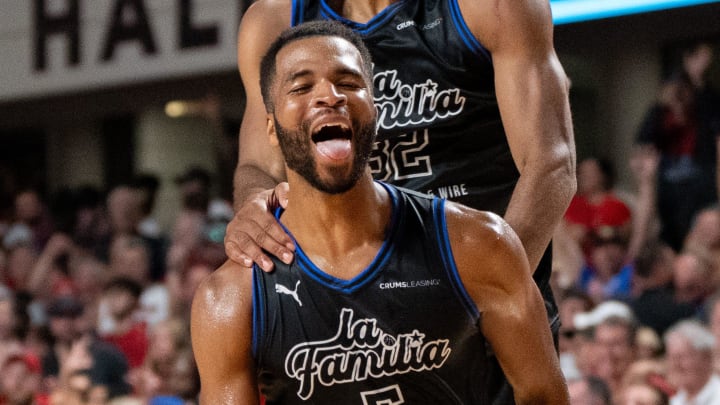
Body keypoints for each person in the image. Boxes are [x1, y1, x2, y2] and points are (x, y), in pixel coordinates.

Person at [192, 21, 568, 404]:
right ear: (271, 129)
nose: (329, 95)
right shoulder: (228, 300)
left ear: (375, 109)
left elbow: (544, 395)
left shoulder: (478, 244)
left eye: (350, 83)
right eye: (302, 87)